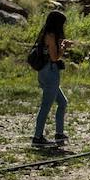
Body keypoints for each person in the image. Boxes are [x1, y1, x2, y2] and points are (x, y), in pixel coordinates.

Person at [32, 11, 72, 147]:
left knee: (62, 102)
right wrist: (63, 48)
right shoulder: (51, 35)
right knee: (46, 106)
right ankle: (37, 137)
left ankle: (59, 134)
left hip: (44, 72)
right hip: (50, 72)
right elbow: (55, 57)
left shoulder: (45, 33)